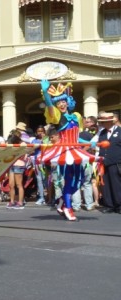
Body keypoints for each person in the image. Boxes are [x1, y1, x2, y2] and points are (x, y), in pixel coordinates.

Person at [39, 80, 97, 221]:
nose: (62, 104)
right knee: (69, 179)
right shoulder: (58, 117)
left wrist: (90, 142)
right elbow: (49, 106)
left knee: (80, 179)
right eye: (59, 103)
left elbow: (77, 138)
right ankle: (68, 207)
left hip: (76, 150)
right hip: (65, 151)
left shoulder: (76, 116)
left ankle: (62, 201)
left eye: (63, 101)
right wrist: (46, 93)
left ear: (68, 101)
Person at [97, 112, 121, 213]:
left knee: (117, 184)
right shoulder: (102, 133)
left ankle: (119, 205)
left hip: (116, 162)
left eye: (106, 122)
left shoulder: (120, 131)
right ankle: (109, 205)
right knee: (105, 184)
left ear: (111, 122)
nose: (104, 124)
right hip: (104, 162)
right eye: (102, 122)